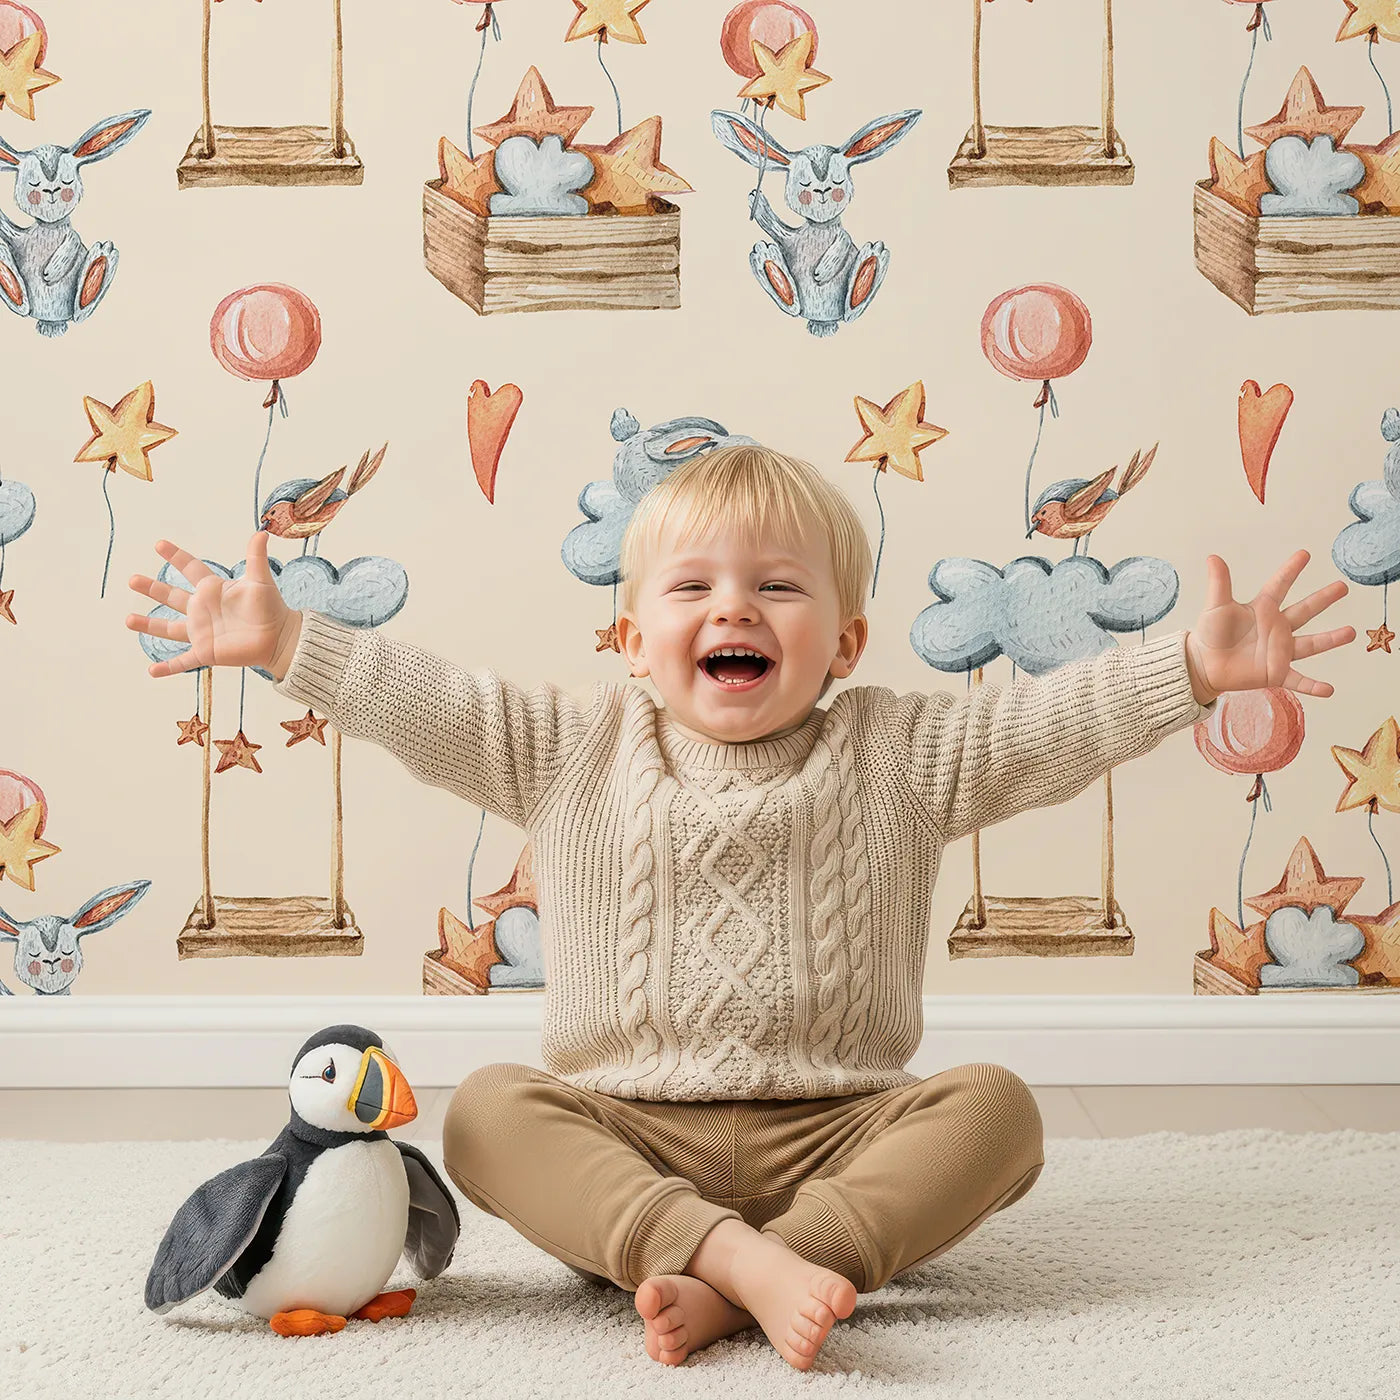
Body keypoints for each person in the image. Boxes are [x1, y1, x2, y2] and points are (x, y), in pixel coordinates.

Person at [125, 445, 1353, 1372]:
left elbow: (1050, 725)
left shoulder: (902, 751)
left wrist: (1187, 668)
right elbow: (426, 700)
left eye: (777, 585)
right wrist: (290, 644)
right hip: (630, 1135)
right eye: (691, 586)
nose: (733, 609)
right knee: (491, 1111)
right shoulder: (570, 745)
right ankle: (741, 1261)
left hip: (840, 1130)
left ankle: (759, 1263)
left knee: (996, 1109)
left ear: (846, 640)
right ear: (629, 635)